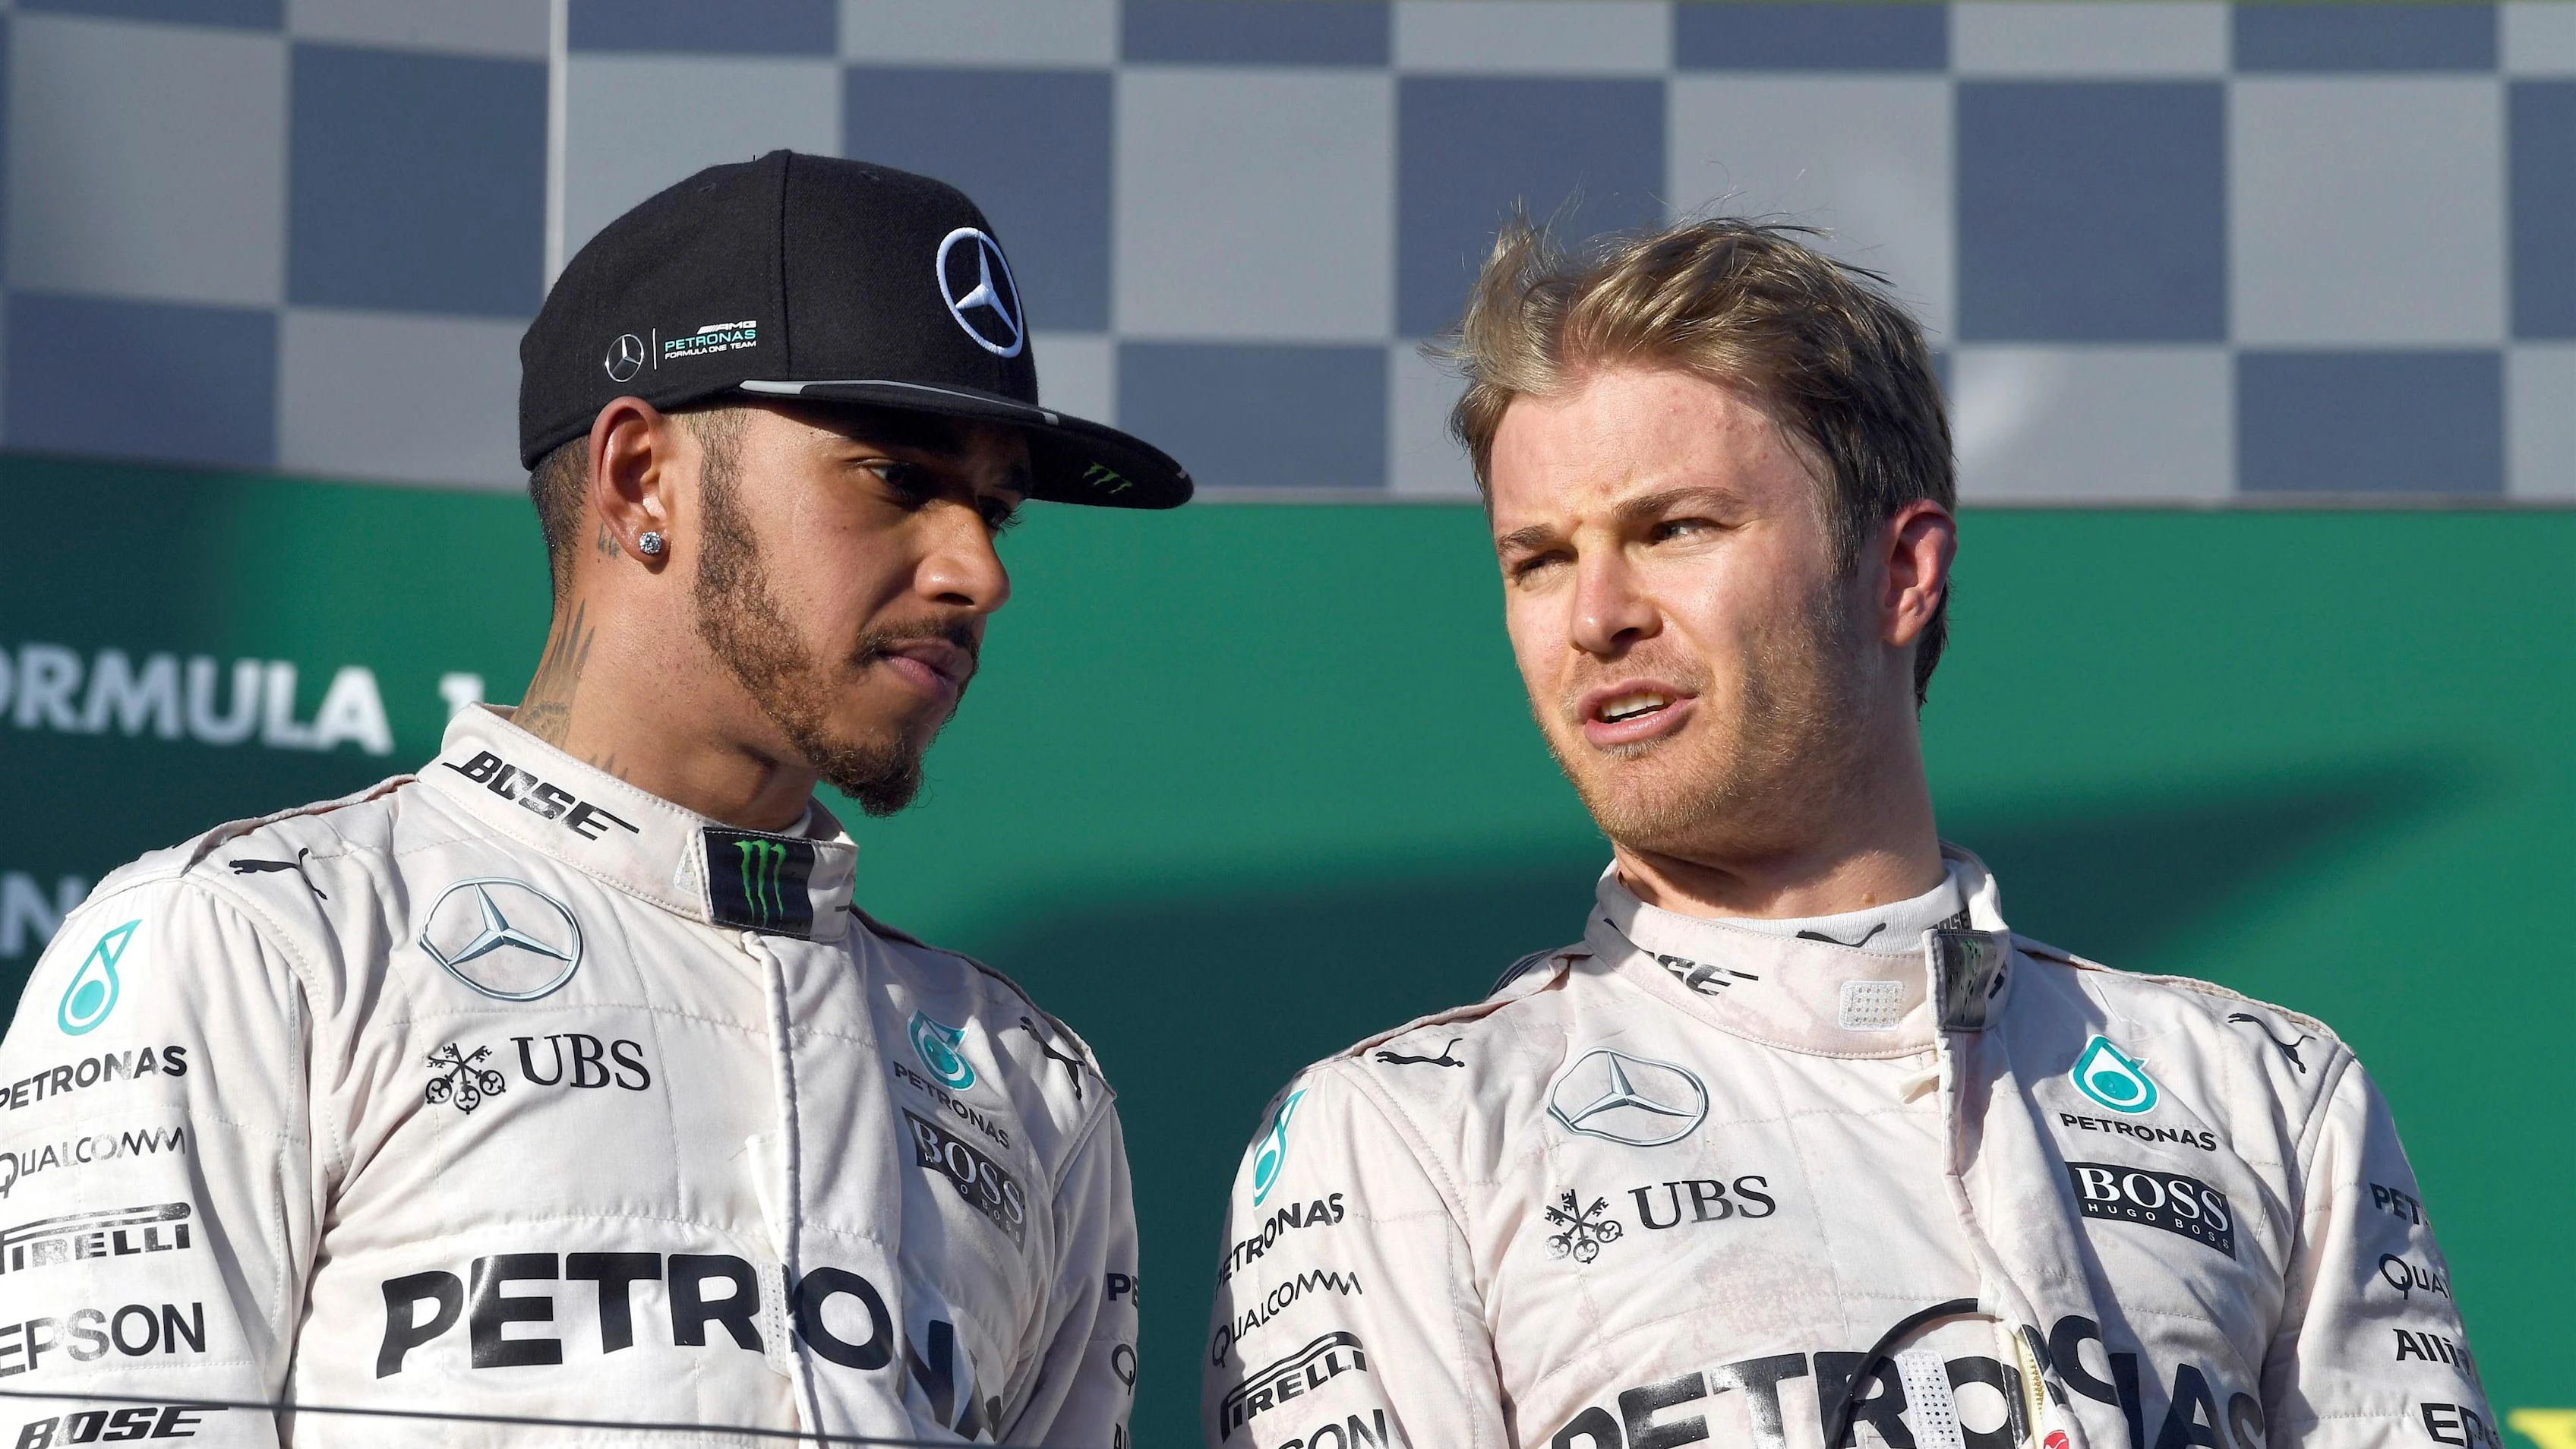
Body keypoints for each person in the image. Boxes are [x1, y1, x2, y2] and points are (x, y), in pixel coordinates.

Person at [1200, 219, 2487, 1449]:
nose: (1596, 615)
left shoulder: (2264, 1094)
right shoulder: (1401, 1136)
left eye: (1673, 528)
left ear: (1900, 572)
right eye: (1537, 558)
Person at [0, 152, 1185, 1447]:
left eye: (997, 513)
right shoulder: (259, 942)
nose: (975, 572)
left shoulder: (1033, 1088)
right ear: (640, 479)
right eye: (898, 478)